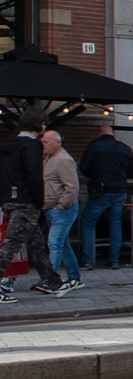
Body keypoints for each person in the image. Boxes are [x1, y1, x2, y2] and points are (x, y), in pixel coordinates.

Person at [0, 107, 64, 300]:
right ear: (39, 125)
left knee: (36, 243)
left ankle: (52, 281)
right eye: (43, 123)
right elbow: (35, 176)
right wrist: (39, 201)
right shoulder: (32, 146)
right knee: (10, 246)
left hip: (9, 200)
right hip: (27, 202)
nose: (44, 126)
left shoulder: (7, 145)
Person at [80, 115, 133, 270]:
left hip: (101, 191)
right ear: (113, 134)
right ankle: (114, 260)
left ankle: (88, 260)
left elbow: (84, 168)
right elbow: (132, 173)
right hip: (120, 191)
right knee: (115, 224)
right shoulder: (125, 148)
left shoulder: (94, 146)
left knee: (89, 223)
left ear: (99, 133)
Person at [40, 130, 81, 291]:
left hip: (62, 209)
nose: (43, 145)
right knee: (63, 244)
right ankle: (74, 276)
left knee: (54, 243)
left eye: (46, 142)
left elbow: (72, 187)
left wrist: (62, 205)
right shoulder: (50, 159)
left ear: (57, 143)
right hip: (52, 208)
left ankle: (50, 279)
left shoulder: (64, 160)